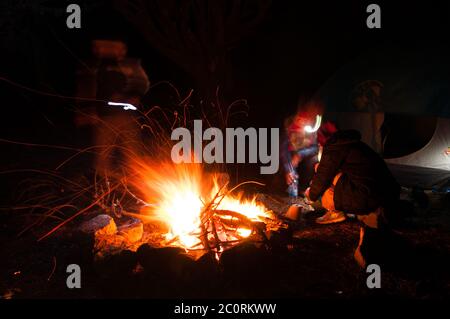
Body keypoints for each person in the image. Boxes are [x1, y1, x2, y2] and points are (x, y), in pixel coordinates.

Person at [305, 129, 400, 267]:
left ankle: (334, 212)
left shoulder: (333, 149)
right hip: (386, 193)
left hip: (368, 196)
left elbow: (322, 177)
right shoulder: (355, 145)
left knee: (324, 185)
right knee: (325, 171)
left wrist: (311, 195)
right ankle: (372, 213)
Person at [281, 105, 321, 198]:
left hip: (306, 155)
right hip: (290, 155)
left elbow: (315, 147)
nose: (302, 122)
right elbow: (283, 150)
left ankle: (307, 191)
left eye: (305, 120)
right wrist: (289, 169)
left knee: (314, 160)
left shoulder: (311, 129)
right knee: (291, 173)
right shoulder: (289, 128)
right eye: (299, 119)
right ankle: (293, 195)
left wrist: (300, 154)